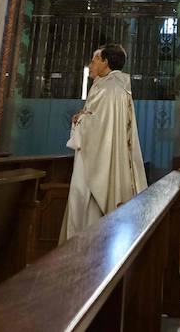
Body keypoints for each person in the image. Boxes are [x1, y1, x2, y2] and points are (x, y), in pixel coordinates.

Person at [62, 43, 147, 241]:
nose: (91, 64)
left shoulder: (105, 87)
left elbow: (96, 126)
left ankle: (81, 247)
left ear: (106, 62)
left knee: (85, 202)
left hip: (95, 159)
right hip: (108, 153)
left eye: (94, 60)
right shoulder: (119, 86)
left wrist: (79, 119)